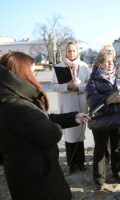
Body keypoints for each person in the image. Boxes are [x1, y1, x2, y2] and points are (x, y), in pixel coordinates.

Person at [0, 52, 91, 200]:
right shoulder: (13, 104)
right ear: (20, 73)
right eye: (33, 71)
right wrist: (55, 127)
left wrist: (72, 117)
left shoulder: (15, 98)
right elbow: (50, 132)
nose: (34, 76)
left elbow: (41, 118)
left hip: (36, 172)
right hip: (35, 178)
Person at [86, 51, 120, 190]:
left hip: (118, 119)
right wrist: (109, 99)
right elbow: (92, 99)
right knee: (100, 150)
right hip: (101, 121)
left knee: (117, 148)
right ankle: (99, 178)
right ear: (99, 64)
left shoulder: (119, 78)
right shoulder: (93, 80)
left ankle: (118, 173)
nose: (110, 63)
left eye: (111, 61)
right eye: (106, 62)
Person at [51, 42, 90, 173]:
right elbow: (54, 86)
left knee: (79, 134)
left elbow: (90, 85)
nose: (71, 53)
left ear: (78, 52)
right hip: (67, 103)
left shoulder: (84, 66)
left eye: (74, 51)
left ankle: (81, 162)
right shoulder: (59, 67)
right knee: (69, 135)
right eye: (69, 51)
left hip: (80, 102)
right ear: (65, 52)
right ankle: (71, 163)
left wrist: (78, 86)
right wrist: (67, 86)